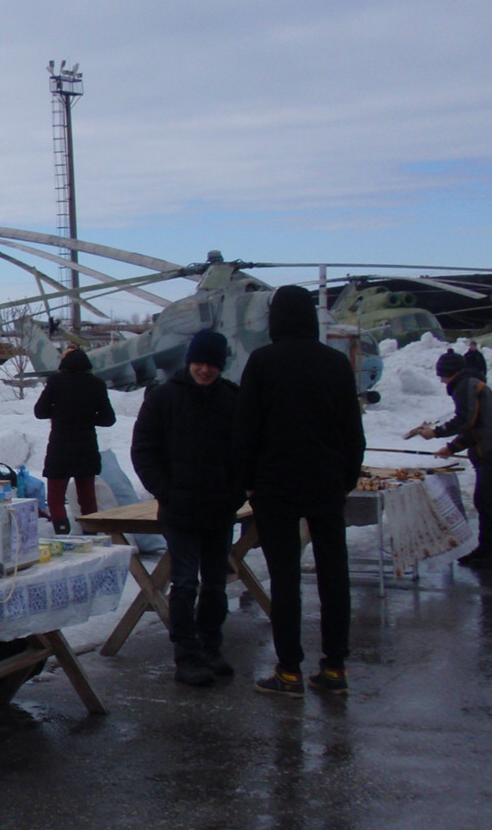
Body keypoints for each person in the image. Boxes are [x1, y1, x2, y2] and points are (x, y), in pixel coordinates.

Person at [233, 285, 366, 698]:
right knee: (333, 576)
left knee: (286, 579)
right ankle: (335, 667)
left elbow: (246, 430)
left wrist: (249, 482)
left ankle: (288, 670)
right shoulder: (336, 363)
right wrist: (343, 479)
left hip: (276, 487)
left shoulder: (263, 362)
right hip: (326, 484)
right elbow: (353, 433)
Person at [130, 330, 244, 687]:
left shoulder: (232, 400)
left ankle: (211, 646)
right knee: (183, 583)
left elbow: (246, 453)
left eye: (212, 364)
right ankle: (187, 654)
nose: (205, 370)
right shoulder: (164, 397)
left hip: (219, 509)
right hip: (180, 510)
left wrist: (234, 495)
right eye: (199, 362)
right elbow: (144, 450)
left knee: (215, 585)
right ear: (189, 361)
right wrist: (165, 491)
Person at [408, 350, 492, 567]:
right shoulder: (471, 383)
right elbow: (474, 425)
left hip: (489, 453)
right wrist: (452, 447)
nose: (440, 379)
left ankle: (487, 552)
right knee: (484, 501)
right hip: (486, 452)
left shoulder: (465, 385)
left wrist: (435, 432)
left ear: (450, 373)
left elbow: (464, 420)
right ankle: (486, 548)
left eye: (442, 375)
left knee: (486, 501)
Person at [33, 347, 117, 534]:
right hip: (86, 447)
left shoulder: (55, 382)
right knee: (87, 497)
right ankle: (91, 533)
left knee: (55, 497)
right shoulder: (97, 384)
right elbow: (108, 419)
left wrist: (60, 414)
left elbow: (40, 412)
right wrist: (87, 418)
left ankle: (62, 532)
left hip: (60, 447)